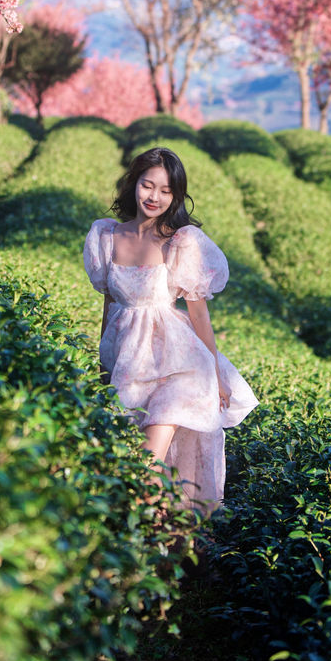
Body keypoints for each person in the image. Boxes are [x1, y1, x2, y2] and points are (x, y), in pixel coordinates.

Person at [83, 146, 258, 516]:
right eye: (148, 186)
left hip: (179, 366)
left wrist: (215, 373)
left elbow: (199, 317)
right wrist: (103, 362)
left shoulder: (181, 242)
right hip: (130, 363)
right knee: (139, 466)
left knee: (145, 465)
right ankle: (160, 544)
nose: (155, 197)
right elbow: (110, 304)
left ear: (176, 196)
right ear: (134, 184)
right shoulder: (106, 237)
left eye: (166, 191)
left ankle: (155, 542)